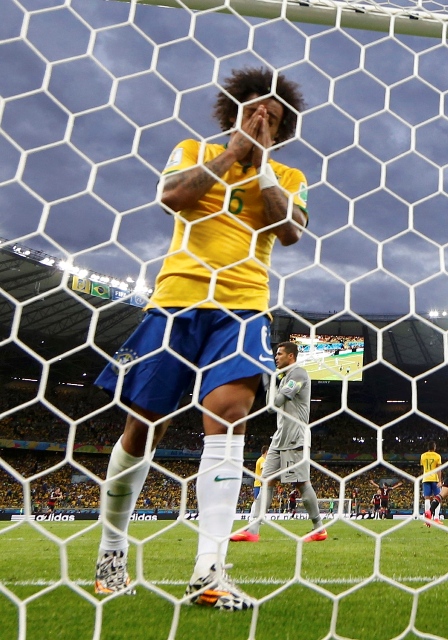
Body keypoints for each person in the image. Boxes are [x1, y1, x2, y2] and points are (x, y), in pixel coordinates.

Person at [93, 68, 308, 611]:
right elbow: (173, 196)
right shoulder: (190, 148)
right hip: (176, 300)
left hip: (242, 306)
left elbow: (290, 231)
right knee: (143, 426)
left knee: (231, 410)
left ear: (282, 131)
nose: (262, 119)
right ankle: (112, 551)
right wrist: (231, 152)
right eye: (254, 110)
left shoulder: (288, 175)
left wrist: (259, 167)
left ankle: (209, 570)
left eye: (272, 118)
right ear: (232, 111)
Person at [230, 341, 327, 543]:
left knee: (301, 484)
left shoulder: (299, 374)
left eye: (280, 354)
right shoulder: (283, 379)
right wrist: (272, 381)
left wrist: (270, 380)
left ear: (291, 356)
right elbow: (269, 408)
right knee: (266, 481)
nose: (276, 357)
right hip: (279, 437)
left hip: (295, 437)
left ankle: (319, 528)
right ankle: (253, 530)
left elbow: (276, 402)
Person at [420, 441, 442, 524]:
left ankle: (427, 519)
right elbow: (439, 469)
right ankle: (436, 518)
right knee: (438, 498)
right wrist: (440, 481)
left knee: (427, 498)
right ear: (434, 447)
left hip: (426, 478)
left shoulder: (423, 455)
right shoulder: (437, 456)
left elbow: (423, 467)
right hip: (435, 479)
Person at [246, 446, 269, 523]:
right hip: (260, 484)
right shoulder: (262, 460)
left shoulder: (260, 460)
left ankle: (259, 518)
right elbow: (263, 472)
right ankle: (251, 518)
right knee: (257, 501)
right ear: (266, 452)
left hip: (259, 483)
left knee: (260, 502)